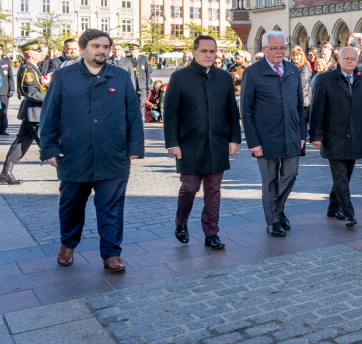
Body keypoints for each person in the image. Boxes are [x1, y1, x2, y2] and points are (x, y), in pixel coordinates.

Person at [40, 29, 144, 272]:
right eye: (96, 46)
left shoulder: (119, 76)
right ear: (84, 48)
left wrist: (135, 146)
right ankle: (67, 246)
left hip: (113, 155)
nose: (102, 51)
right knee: (71, 205)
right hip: (74, 154)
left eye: (106, 47)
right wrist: (49, 149)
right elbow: (49, 115)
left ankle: (111, 254)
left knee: (111, 207)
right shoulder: (64, 76)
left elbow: (133, 114)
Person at [164, 35, 241, 250]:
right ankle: (181, 222)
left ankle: (211, 233)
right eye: (204, 51)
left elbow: (231, 113)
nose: (209, 55)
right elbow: (170, 114)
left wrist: (235, 138)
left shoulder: (224, 77)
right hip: (189, 144)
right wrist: (173, 143)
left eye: (212, 51)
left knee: (213, 190)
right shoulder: (179, 77)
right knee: (189, 188)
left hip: (217, 144)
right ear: (194, 52)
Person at [240, 30, 307, 237]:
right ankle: (273, 221)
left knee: (291, 174)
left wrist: (302, 134)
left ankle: (277, 210)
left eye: (282, 48)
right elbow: (246, 110)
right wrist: (253, 141)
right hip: (265, 137)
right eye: (274, 48)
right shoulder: (253, 72)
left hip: (292, 133)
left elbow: (299, 105)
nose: (279, 52)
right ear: (264, 49)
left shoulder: (293, 70)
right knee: (269, 182)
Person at [309, 45, 362, 227]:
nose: (349, 61)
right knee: (340, 176)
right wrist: (316, 135)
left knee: (345, 176)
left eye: (353, 59)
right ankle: (348, 212)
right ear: (338, 60)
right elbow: (317, 109)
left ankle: (333, 207)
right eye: (345, 58)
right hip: (334, 136)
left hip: (355, 135)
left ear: (358, 61)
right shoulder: (324, 79)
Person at [0, 40, 48, 185]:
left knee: (21, 142)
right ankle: (67, 174)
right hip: (34, 112)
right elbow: (31, 93)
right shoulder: (28, 70)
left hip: (32, 112)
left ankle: (5, 172)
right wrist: (51, 97)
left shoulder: (33, 68)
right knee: (46, 142)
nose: (41, 54)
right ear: (30, 54)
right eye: (38, 52)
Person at [290, 46, 313, 156]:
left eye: (298, 55)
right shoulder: (290, 66)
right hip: (292, 99)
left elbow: (302, 83)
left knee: (301, 123)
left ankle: (301, 147)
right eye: (294, 55)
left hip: (302, 100)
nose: (295, 57)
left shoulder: (305, 67)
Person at [127, 43, 152, 112]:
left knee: (142, 102)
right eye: (130, 50)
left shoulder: (143, 58)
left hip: (142, 83)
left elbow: (147, 71)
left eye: (133, 50)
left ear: (137, 50)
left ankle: (141, 117)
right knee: (132, 101)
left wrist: (148, 83)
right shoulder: (127, 59)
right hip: (132, 84)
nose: (131, 51)